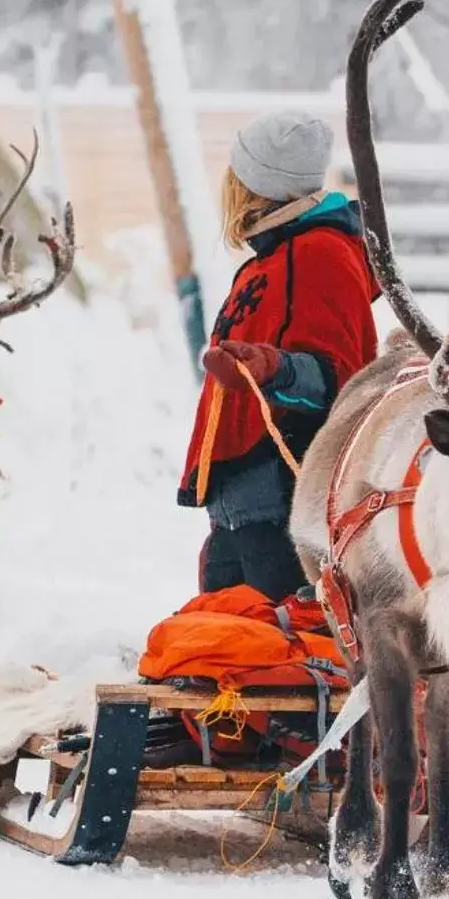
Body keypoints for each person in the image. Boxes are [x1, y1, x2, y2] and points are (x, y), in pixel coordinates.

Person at [177, 110, 378, 599]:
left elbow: (339, 379)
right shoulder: (269, 260)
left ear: (253, 186)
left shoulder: (320, 254)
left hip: (282, 502)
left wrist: (274, 367)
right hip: (241, 501)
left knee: (284, 650)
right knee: (227, 648)